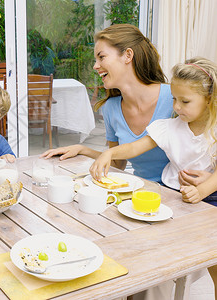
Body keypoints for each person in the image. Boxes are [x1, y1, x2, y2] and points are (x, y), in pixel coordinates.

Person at [90, 57, 217, 297]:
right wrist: (110, 152)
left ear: (209, 99)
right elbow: (135, 147)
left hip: (208, 196)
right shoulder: (170, 127)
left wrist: (202, 191)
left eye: (185, 101)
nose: (177, 107)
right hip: (172, 195)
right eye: (174, 100)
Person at [41, 24, 173, 183]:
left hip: (182, 194)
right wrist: (82, 150)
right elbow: (118, 163)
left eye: (101, 57)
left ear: (128, 55)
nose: (95, 66)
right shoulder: (111, 108)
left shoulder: (175, 99)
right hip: (142, 193)